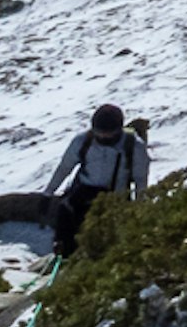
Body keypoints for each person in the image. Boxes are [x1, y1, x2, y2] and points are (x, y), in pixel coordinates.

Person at [46, 103, 149, 257]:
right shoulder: (82, 141)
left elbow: (141, 180)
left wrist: (140, 207)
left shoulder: (134, 147)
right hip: (83, 194)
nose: (102, 137)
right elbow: (64, 168)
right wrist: (48, 192)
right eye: (99, 133)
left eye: (107, 134)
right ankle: (64, 256)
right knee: (66, 217)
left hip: (115, 198)